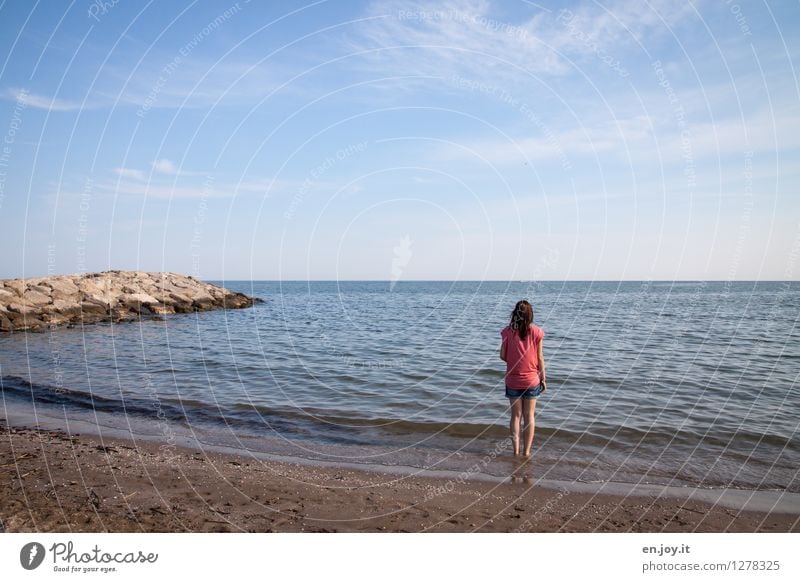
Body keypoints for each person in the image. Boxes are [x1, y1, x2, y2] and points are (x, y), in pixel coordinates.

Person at [500, 300, 546, 457]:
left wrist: (513, 362)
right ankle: (526, 452)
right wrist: (543, 378)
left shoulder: (507, 332)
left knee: (516, 416)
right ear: (530, 315)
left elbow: (502, 355)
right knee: (529, 416)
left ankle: (516, 451)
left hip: (513, 379)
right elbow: (540, 357)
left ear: (515, 314)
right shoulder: (537, 332)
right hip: (532, 379)